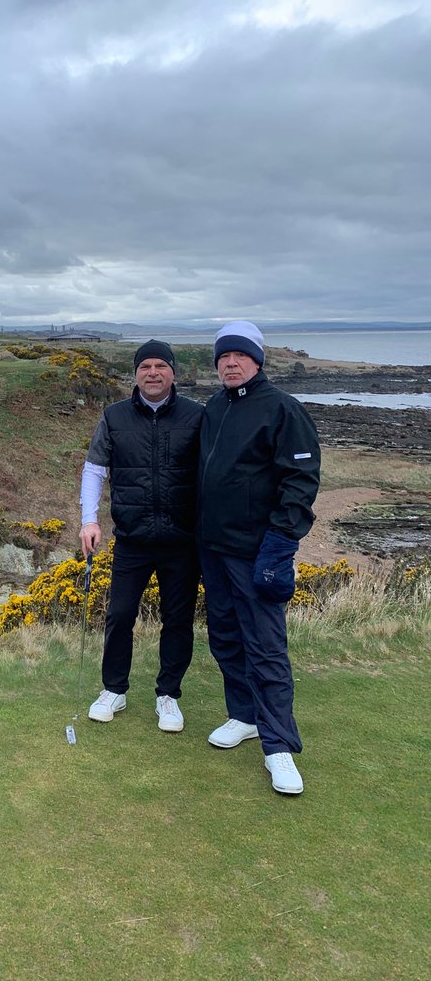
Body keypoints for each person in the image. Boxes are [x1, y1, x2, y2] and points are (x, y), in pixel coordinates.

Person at [199, 320, 320, 796]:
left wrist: (280, 545)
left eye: (240, 356)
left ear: (257, 361)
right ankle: (244, 716)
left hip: (257, 551)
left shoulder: (282, 409)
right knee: (226, 637)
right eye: (223, 357)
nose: (230, 363)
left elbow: (300, 483)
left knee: (265, 647)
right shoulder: (213, 407)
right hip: (213, 548)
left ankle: (279, 748)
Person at [80, 340, 203, 732]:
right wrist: (89, 520)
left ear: (173, 372)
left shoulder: (197, 416)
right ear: (135, 373)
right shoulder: (114, 417)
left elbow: (214, 473)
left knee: (178, 620)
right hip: (132, 539)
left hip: (182, 541)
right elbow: (94, 469)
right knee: (119, 616)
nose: (153, 373)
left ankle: (168, 695)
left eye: (160, 366)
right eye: (145, 366)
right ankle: (114, 690)